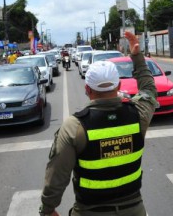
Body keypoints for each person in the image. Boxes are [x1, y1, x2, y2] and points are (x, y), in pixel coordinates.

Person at [39, 31, 157, 216]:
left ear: (87, 89)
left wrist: (47, 209)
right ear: (118, 87)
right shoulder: (139, 114)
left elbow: (57, 176)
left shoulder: (74, 126)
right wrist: (137, 57)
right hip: (134, 210)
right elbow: (149, 89)